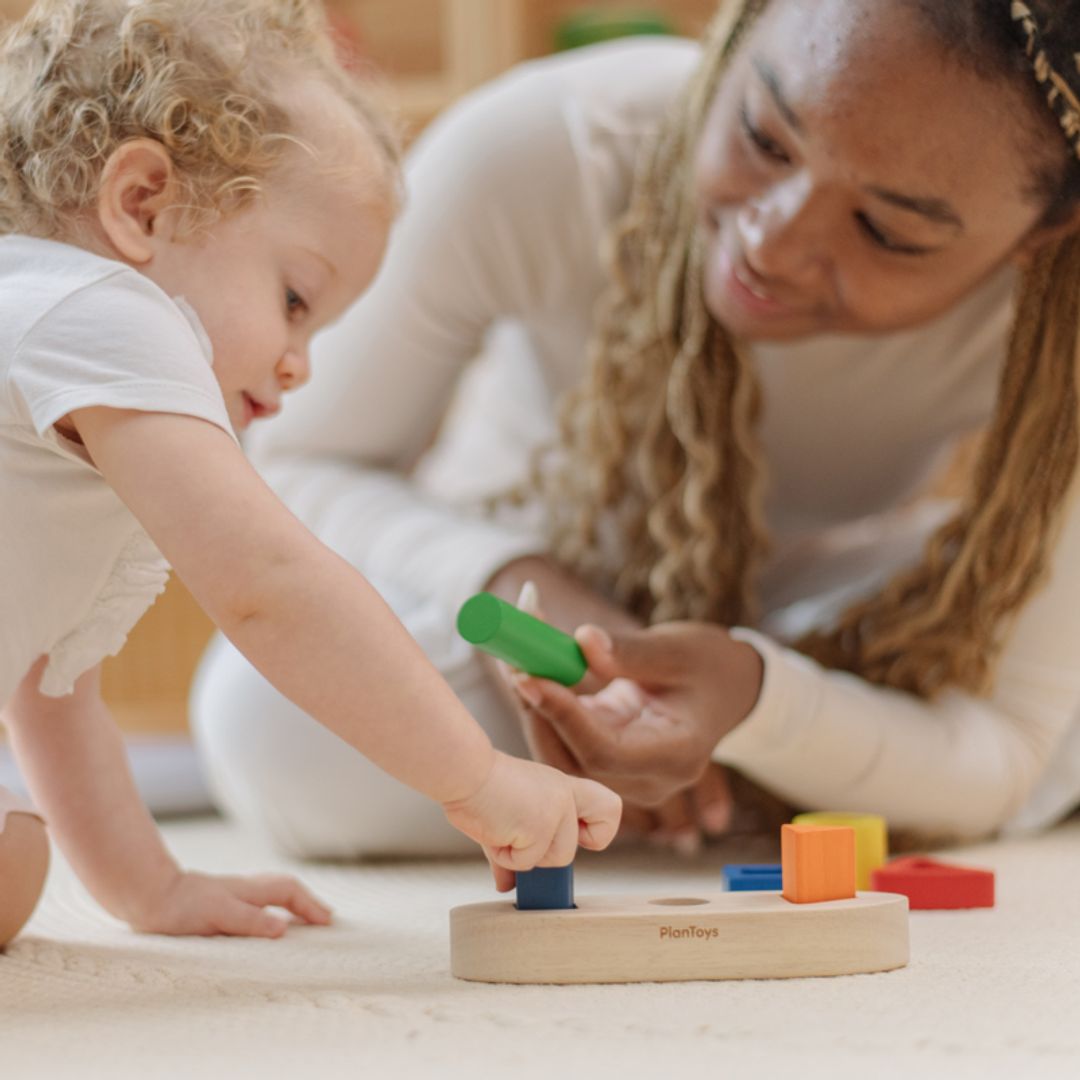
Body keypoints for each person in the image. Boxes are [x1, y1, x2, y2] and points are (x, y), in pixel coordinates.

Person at [191, 0, 1080, 859]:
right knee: (262, 723)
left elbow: (1008, 742)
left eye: (885, 229)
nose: (771, 243)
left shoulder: (1058, 336)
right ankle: (737, 795)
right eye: (766, 137)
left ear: (1048, 229)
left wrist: (754, 700)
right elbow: (302, 464)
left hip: (811, 622)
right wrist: (519, 587)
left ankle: (685, 780)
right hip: (528, 599)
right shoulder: (554, 146)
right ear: (741, 27)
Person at [0, 0, 621, 949]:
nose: (300, 365)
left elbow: (49, 685)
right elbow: (272, 591)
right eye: (295, 300)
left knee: (13, 858)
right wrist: (477, 779)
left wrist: (151, 889)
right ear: (142, 205)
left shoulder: (60, 361)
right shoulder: (108, 315)